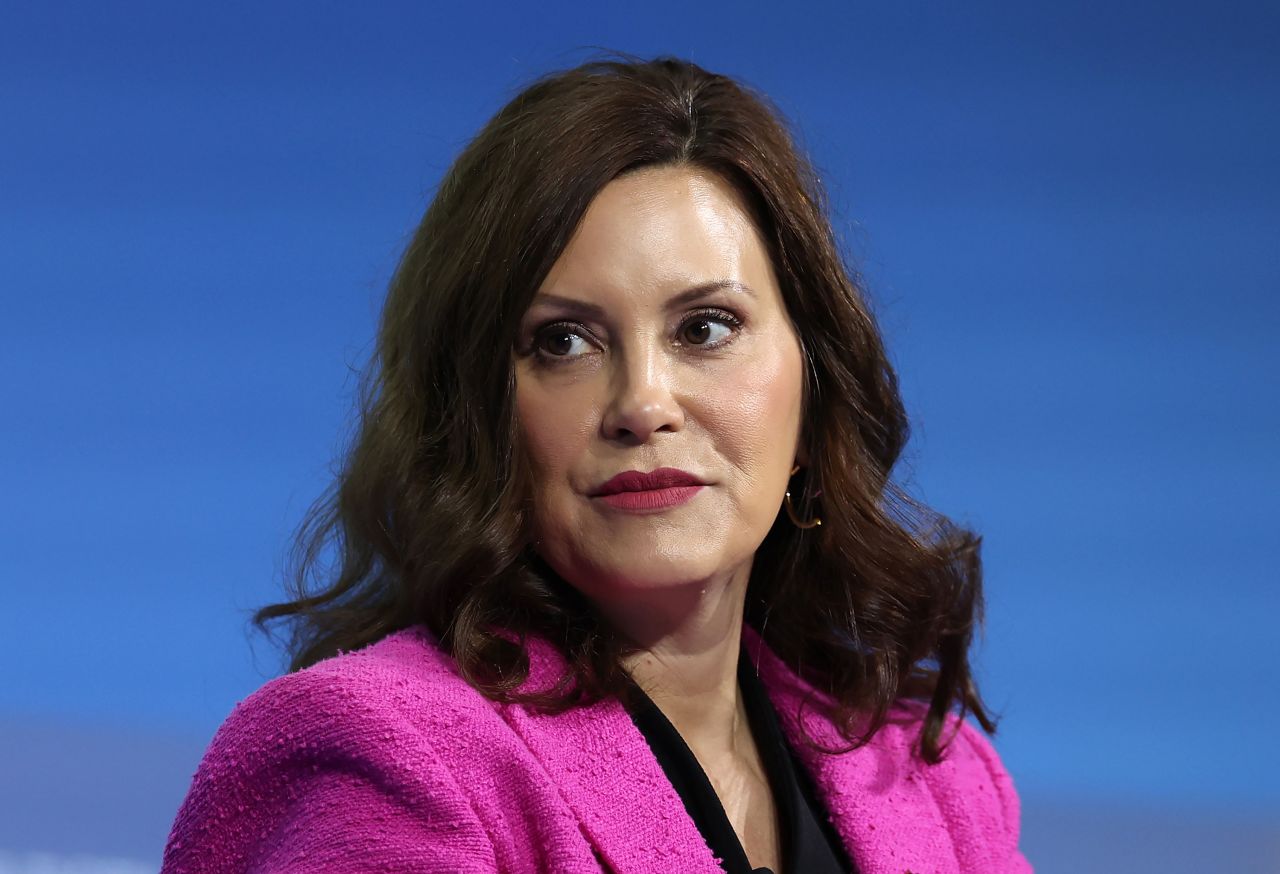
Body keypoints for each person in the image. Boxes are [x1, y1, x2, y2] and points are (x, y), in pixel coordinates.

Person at [161, 55, 1032, 873]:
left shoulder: (937, 778)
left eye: (705, 328)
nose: (643, 404)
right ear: (478, 417)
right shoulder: (377, 752)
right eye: (563, 342)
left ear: (813, 385)